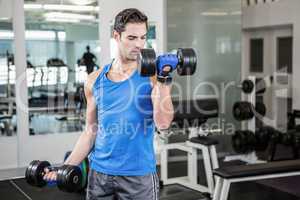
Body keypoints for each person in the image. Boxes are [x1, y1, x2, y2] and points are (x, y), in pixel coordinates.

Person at [44, 8, 174, 200]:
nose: (139, 44)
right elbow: (90, 132)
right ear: (116, 35)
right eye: (131, 38)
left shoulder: (154, 76)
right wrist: (66, 167)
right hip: (99, 175)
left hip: (139, 177)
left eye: (142, 38)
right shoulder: (94, 80)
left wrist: (163, 81)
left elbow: (163, 124)